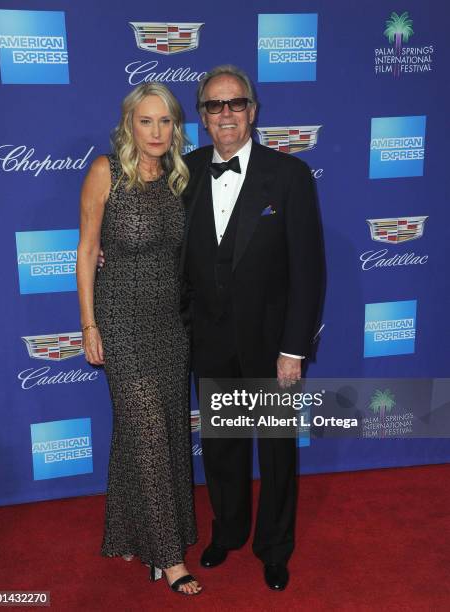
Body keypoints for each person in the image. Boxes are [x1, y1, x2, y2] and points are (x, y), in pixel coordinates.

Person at [181, 65, 324, 590]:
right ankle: (229, 532)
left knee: (277, 449)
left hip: (271, 345)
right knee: (222, 447)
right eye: (214, 106)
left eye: (235, 104)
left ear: (253, 111)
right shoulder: (187, 170)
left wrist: (293, 348)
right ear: (201, 116)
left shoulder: (288, 176)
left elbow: (308, 270)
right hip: (210, 338)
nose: (226, 115)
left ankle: (274, 546)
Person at [76, 83, 202, 595]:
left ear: (176, 127)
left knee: (161, 430)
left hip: (171, 322)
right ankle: (168, 558)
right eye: (146, 121)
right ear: (130, 124)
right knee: (148, 429)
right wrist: (89, 324)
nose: (156, 131)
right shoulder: (106, 171)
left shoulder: (182, 177)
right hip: (122, 319)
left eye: (165, 121)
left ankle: (131, 531)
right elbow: (86, 252)